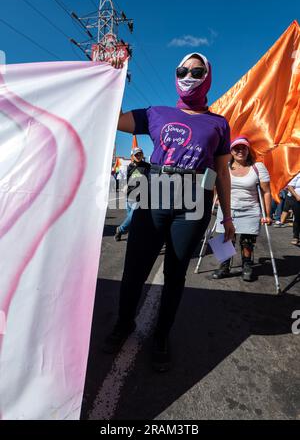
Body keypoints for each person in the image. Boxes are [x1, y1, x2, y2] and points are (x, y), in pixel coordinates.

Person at [103, 52, 235, 372]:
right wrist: (114, 77)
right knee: (135, 266)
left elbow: (222, 171)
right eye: (182, 69)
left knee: (175, 273)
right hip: (154, 190)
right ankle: (124, 323)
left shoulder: (219, 123)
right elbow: (113, 117)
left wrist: (227, 216)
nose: (189, 74)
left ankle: (161, 335)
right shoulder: (156, 113)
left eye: (197, 70)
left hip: (194, 197)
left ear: (208, 76)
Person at [212, 137, 272, 282]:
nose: (240, 151)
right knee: (225, 239)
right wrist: (216, 197)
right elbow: (215, 184)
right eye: (236, 148)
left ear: (248, 150)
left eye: (243, 148)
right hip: (227, 209)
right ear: (231, 151)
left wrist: (268, 214)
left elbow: (266, 192)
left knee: (247, 241)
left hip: (250, 210)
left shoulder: (258, 167)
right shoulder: (224, 166)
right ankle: (224, 266)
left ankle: (247, 266)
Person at [114, 147, 150, 241]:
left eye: (140, 154)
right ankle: (132, 237)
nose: (138, 156)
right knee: (132, 221)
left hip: (140, 198)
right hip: (129, 197)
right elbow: (123, 179)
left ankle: (120, 229)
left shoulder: (147, 166)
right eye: (136, 154)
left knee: (133, 218)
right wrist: (123, 186)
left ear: (142, 155)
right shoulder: (128, 167)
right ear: (132, 156)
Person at [286, 172, 300, 245]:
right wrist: (297, 196)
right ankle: (296, 237)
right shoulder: (297, 173)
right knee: (298, 218)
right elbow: (290, 186)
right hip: (296, 199)